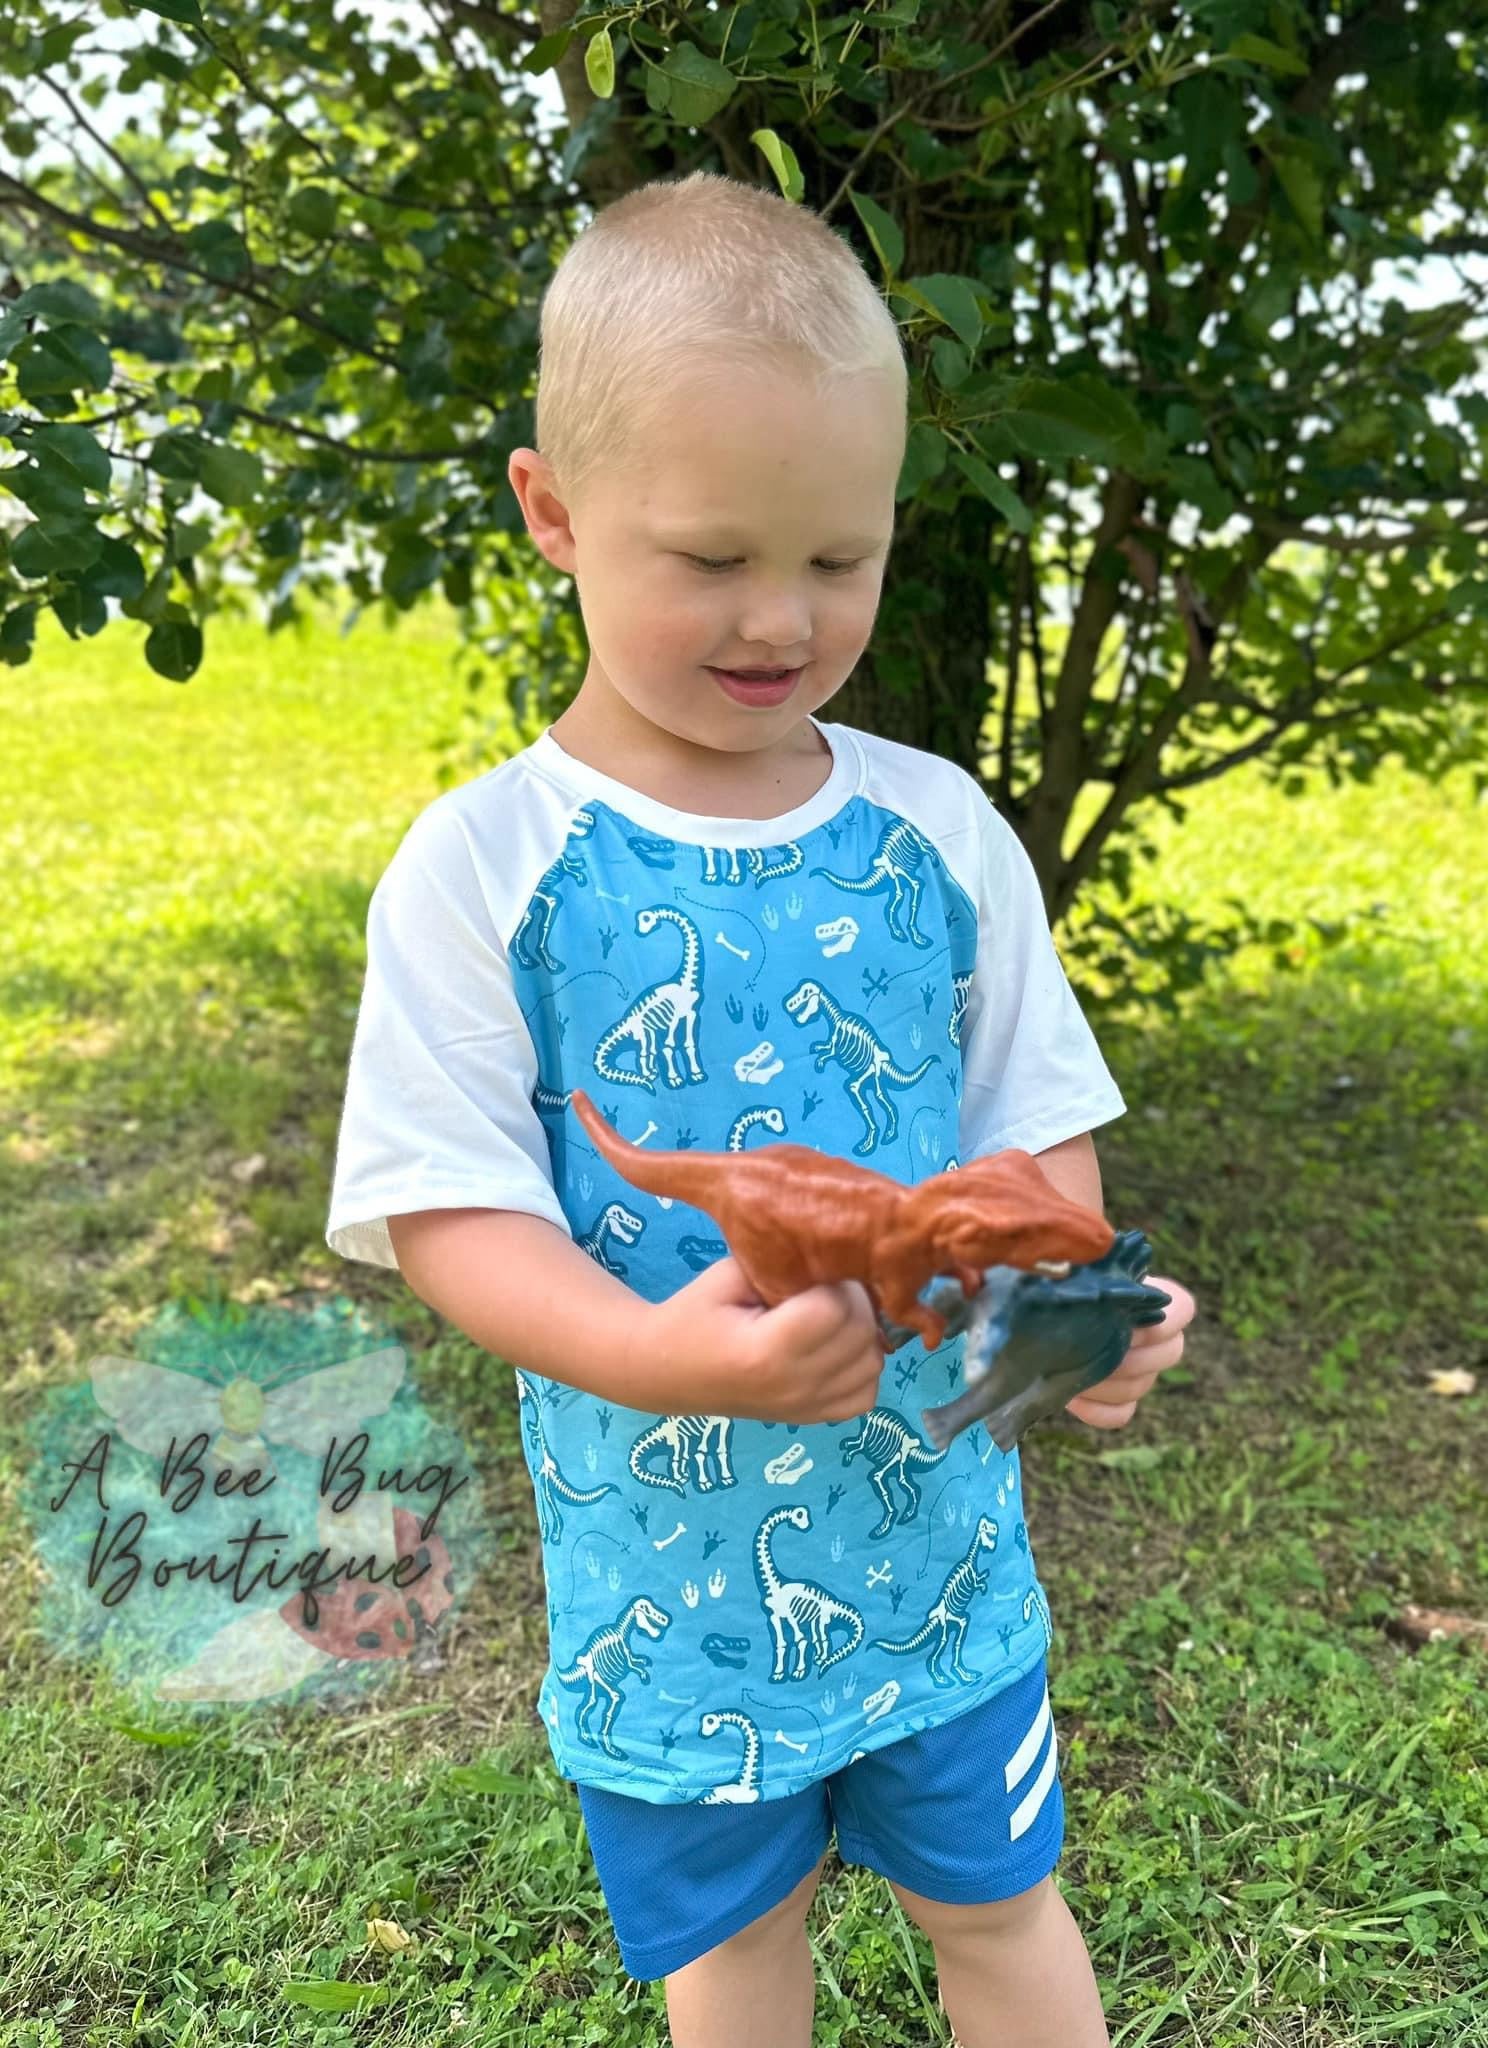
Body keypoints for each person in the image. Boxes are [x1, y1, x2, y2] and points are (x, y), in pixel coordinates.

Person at [325, 168, 1193, 2048]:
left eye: (840, 557)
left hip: (944, 1565)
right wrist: (661, 1357)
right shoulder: (487, 869)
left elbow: (1029, 1150)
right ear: (552, 515)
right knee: (734, 1957)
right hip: (667, 1597)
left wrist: (1081, 1322)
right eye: (712, 558)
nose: (782, 616)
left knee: (1008, 1908)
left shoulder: (937, 835)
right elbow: (450, 1211)